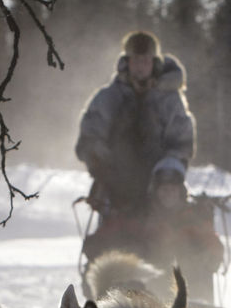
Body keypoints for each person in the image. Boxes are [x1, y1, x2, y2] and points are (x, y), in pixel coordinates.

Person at [75, 30, 196, 261]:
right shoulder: (108, 97)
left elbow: (182, 143)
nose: (141, 65)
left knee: (164, 250)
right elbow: (90, 136)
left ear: (154, 62)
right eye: (136, 60)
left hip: (161, 191)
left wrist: (166, 176)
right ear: (127, 61)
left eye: (146, 60)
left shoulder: (170, 100)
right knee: (110, 249)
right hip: (117, 189)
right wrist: (102, 167)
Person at [145, 157, 224, 303]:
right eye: (164, 189)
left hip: (192, 289)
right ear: (156, 191)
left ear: (181, 191)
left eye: (172, 189)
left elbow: (212, 243)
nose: (168, 193)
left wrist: (211, 257)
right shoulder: (145, 217)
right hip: (153, 289)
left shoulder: (194, 217)